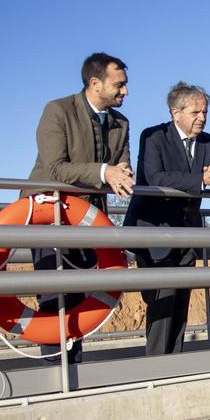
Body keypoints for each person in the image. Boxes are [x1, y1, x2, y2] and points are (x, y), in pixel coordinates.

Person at [22, 52, 135, 363]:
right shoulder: (57, 111)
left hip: (89, 219)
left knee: (81, 296)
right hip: (50, 217)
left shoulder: (120, 123)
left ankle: (75, 370)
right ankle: (55, 375)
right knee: (54, 297)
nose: (125, 91)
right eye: (120, 85)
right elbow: (55, 168)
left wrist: (122, 171)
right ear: (95, 83)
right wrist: (104, 172)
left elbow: (121, 161)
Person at [124, 82, 210, 356]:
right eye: (196, 112)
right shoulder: (154, 137)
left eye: (205, 112)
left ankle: (175, 363)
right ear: (176, 113)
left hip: (188, 233)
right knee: (162, 300)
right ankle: (156, 367)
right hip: (154, 231)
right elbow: (154, 178)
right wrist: (201, 179)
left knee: (181, 299)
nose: (202, 118)